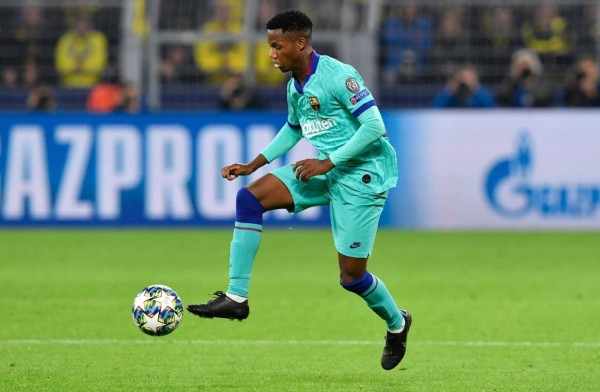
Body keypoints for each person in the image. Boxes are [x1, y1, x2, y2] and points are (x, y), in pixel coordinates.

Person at [186, 10, 411, 371]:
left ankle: (397, 324)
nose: (271, 53)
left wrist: (329, 162)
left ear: (300, 43)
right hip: (325, 169)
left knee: (351, 278)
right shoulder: (295, 85)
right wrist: (253, 165)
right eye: (270, 46)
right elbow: (293, 130)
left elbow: (374, 126)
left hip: (363, 177)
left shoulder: (339, 76)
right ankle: (236, 296)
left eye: (277, 46)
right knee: (249, 198)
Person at [55, 12, 108, 88]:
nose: (81, 27)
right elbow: (61, 65)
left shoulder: (98, 39)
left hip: (92, 86)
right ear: (74, 26)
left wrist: (79, 67)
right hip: (68, 86)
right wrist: (78, 68)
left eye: (84, 24)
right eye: (79, 24)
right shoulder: (65, 40)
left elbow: (98, 65)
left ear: (89, 25)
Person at [431, 65, 496, 108]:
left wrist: (476, 88)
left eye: (468, 77)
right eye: (461, 77)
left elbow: (491, 108)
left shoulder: (480, 95)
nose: (464, 81)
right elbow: (435, 108)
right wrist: (449, 90)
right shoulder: (451, 97)